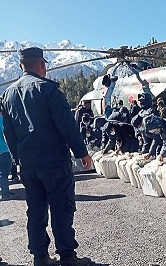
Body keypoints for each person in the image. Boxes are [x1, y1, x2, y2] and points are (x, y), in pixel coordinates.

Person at [0, 47, 93, 265]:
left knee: (35, 211)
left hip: (29, 166)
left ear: (21, 66)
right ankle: (68, 256)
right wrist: (82, 153)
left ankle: (40, 257)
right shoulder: (49, 90)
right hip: (54, 163)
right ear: (42, 64)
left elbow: (9, 133)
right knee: (62, 207)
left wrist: (18, 160)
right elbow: (67, 125)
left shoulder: (8, 95)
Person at [0, 110, 13, 201]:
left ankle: (5, 190)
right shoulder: (2, 120)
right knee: (4, 173)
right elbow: (6, 134)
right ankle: (5, 193)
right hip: (4, 149)